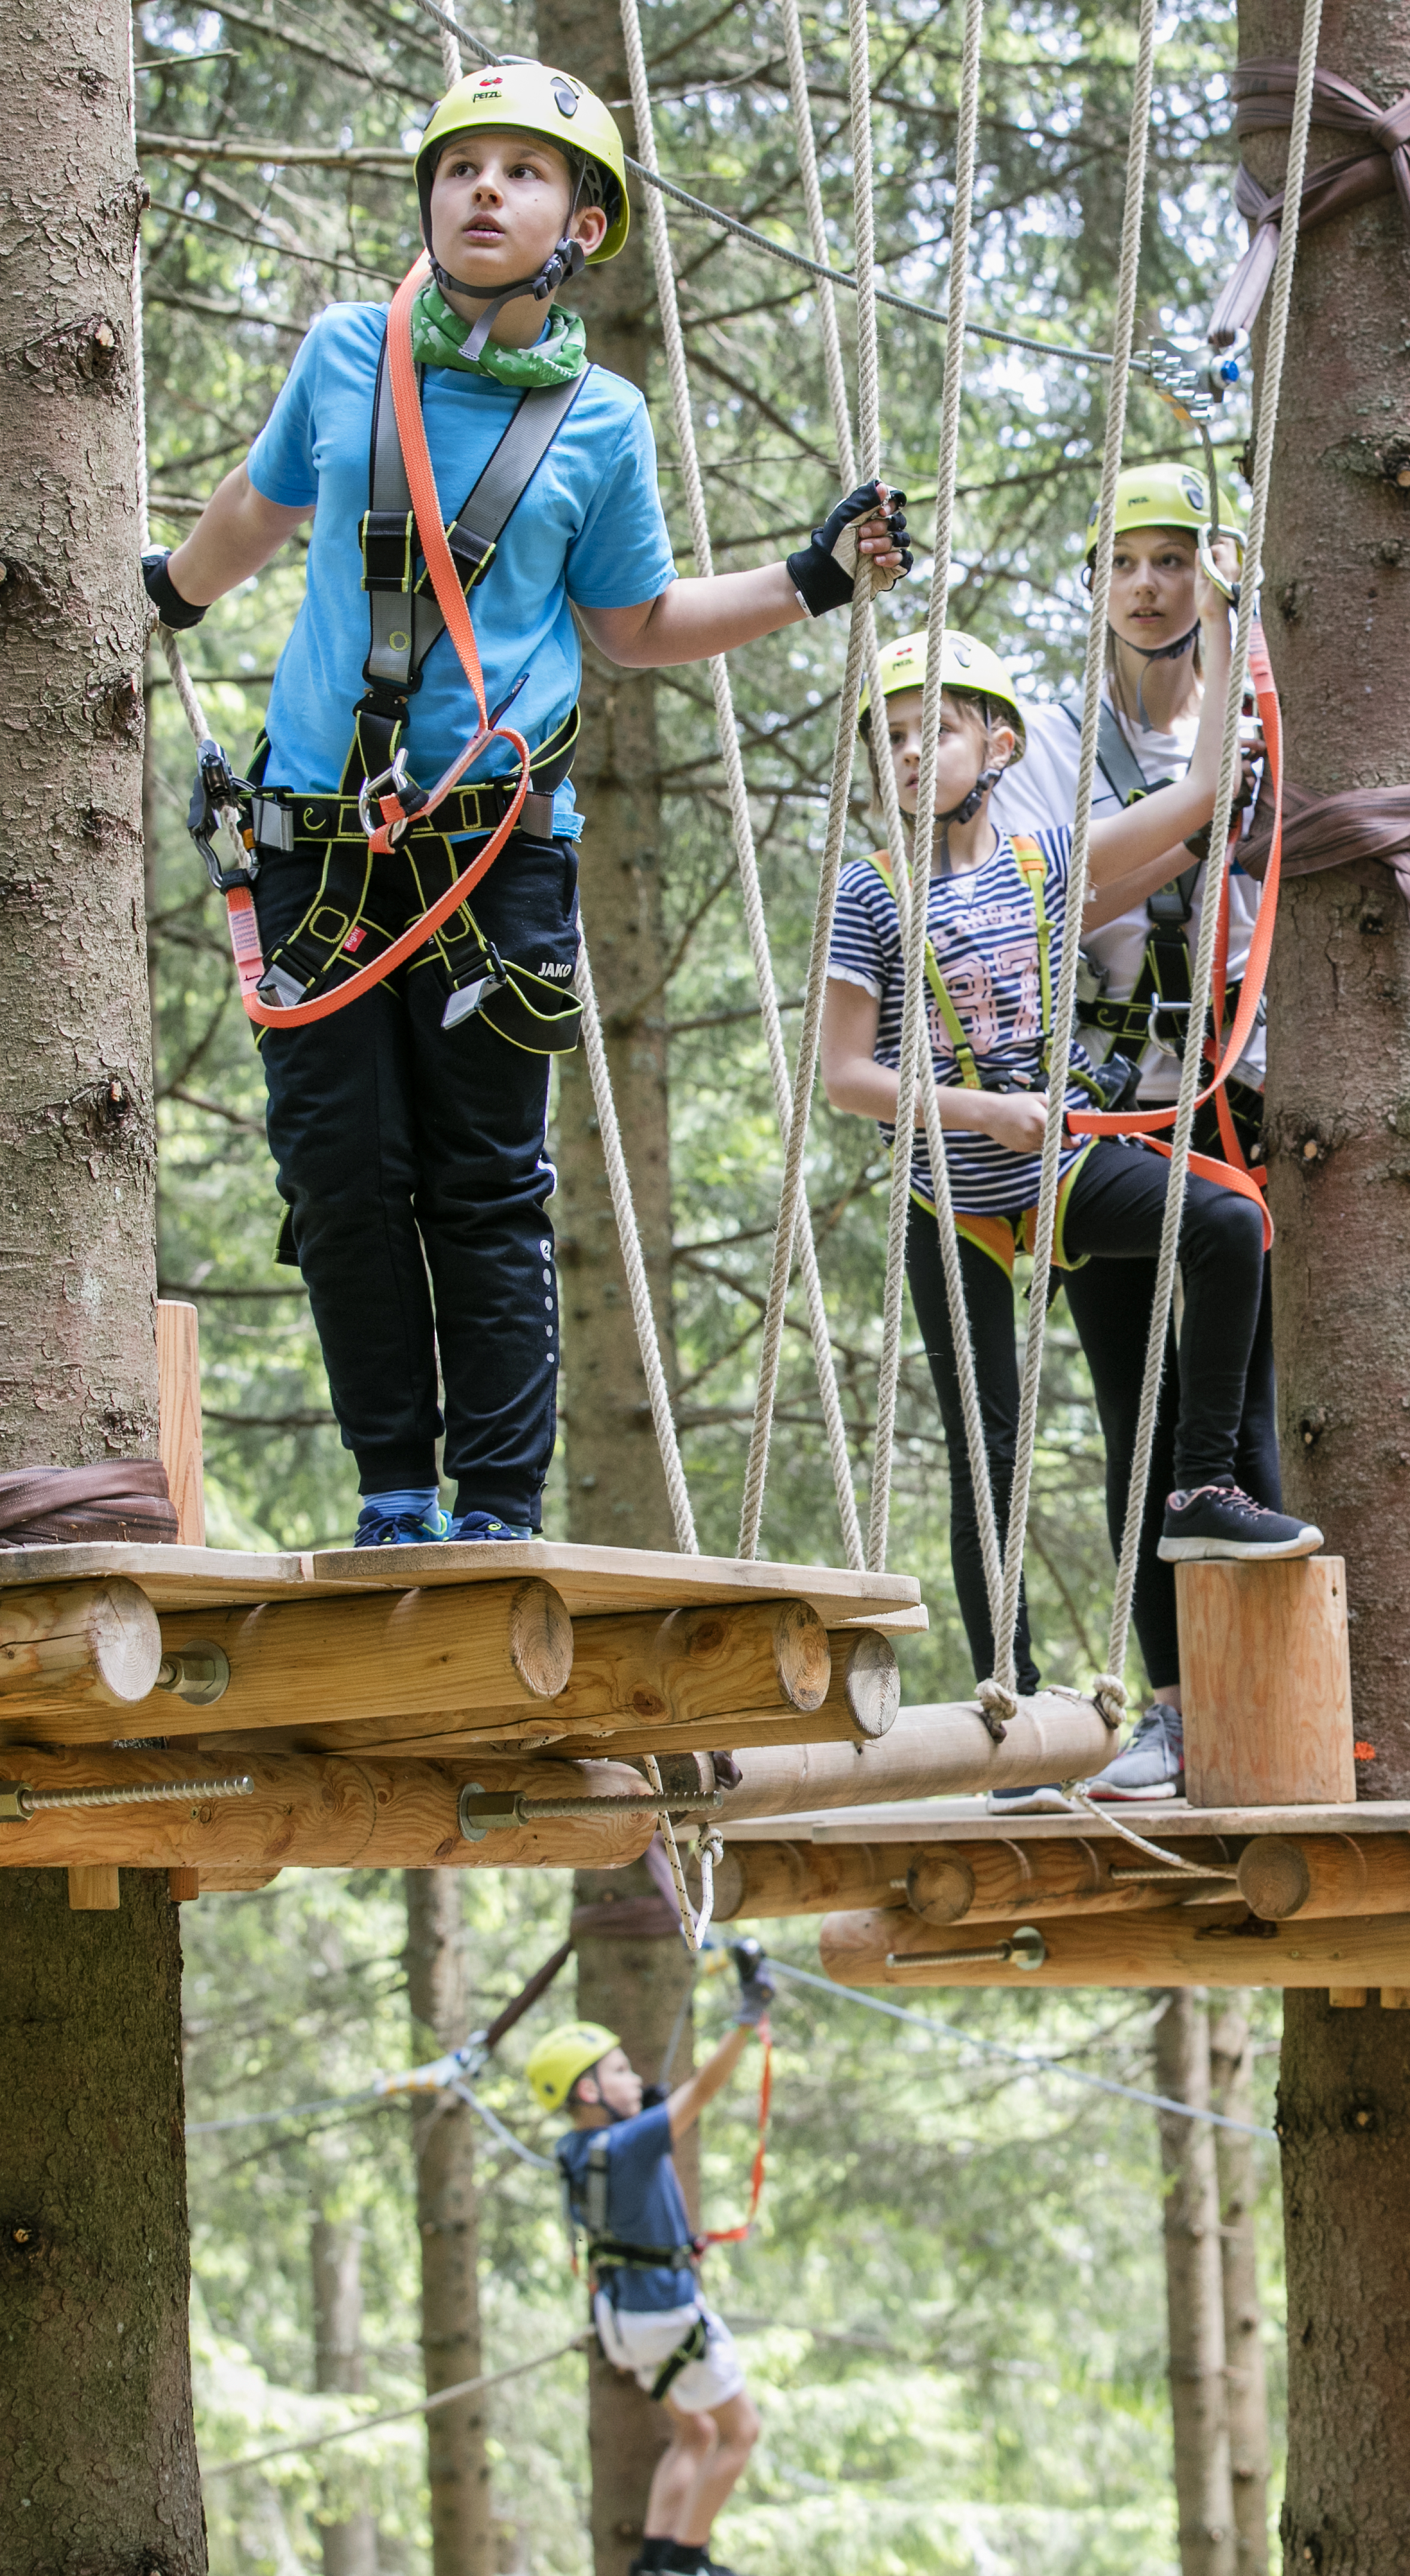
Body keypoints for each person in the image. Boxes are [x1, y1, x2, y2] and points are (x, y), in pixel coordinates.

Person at [147, 59, 905, 1548]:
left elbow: (631, 624)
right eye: (460, 168)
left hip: (493, 857)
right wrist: (167, 593)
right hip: (318, 844)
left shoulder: (602, 419)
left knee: (481, 1184)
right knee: (339, 1178)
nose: (482, 190)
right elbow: (259, 506)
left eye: (522, 171)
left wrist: (807, 579)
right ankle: (391, 1495)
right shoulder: (346, 355)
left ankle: (495, 1508)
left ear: (584, 225)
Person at [817, 621, 1319, 1750]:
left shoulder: (1047, 862)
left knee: (1231, 1221)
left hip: (1055, 1173)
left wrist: (1232, 611)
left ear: (997, 746)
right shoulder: (871, 895)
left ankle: (1198, 1490)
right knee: (990, 1453)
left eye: (930, 734)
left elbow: (1196, 795)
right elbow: (847, 1077)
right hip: (957, 1202)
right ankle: (1008, 1699)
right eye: (888, 740)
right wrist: (983, 1110)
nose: (906, 757)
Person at [993, 464, 1289, 1802]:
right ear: (1098, 584)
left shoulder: (1261, 725)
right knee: (1138, 1405)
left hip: (1230, 1084)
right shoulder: (1051, 744)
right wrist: (1192, 826)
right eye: (1128, 563)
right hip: (1109, 1094)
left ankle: (1276, 1701)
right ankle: (1176, 1711)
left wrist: (1240, 639)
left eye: (1176, 562)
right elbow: (1058, 883)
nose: (1151, 586)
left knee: (1244, 1416)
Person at [530, 1952, 774, 2576]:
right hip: (664, 2315)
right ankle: (688, 2566)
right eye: (618, 2071)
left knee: (694, 2433)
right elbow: (704, 2089)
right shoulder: (631, 2143)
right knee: (739, 2431)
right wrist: (748, 2017)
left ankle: (655, 2563)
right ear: (589, 2092)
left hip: (626, 2318)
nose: (634, 2076)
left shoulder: (579, 2147)